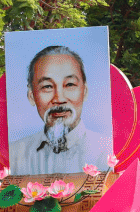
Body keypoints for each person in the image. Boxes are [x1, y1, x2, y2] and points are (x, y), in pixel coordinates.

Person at [10, 46, 111, 175]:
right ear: (31, 96)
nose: (59, 98)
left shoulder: (108, 152)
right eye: (47, 86)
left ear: (84, 91)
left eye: (69, 85)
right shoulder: (14, 154)